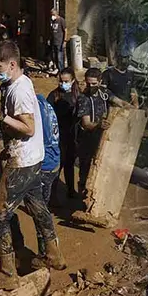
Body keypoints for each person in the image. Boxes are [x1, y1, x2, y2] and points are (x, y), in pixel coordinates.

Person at [0, 41, 66, 291]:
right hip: (34, 158)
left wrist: (1, 116)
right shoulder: (21, 82)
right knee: (37, 205)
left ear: (12, 64)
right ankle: (53, 253)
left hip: (22, 161)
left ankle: (7, 273)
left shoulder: (19, 91)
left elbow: (29, 128)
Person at [76, 68, 110, 196]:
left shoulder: (104, 93)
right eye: (88, 83)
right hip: (87, 138)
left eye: (94, 83)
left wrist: (134, 107)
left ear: (100, 82)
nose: (91, 86)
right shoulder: (83, 98)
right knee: (85, 167)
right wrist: (99, 125)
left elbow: (119, 102)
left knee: (101, 165)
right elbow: (86, 123)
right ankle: (82, 193)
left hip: (102, 138)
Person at [47, 68, 80, 199]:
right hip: (57, 136)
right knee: (58, 165)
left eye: (66, 81)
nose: (63, 84)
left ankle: (71, 190)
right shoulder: (54, 95)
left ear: (73, 80)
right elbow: (47, 114)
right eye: (61, 81)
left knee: (70, 164)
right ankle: (52, 195)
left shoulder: (77, 95)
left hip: (72, 135)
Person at [37, 93, 61, 205]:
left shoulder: (39, 111)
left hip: (46, 162)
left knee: (40, 200)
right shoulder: (47, 107)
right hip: (54, 158)